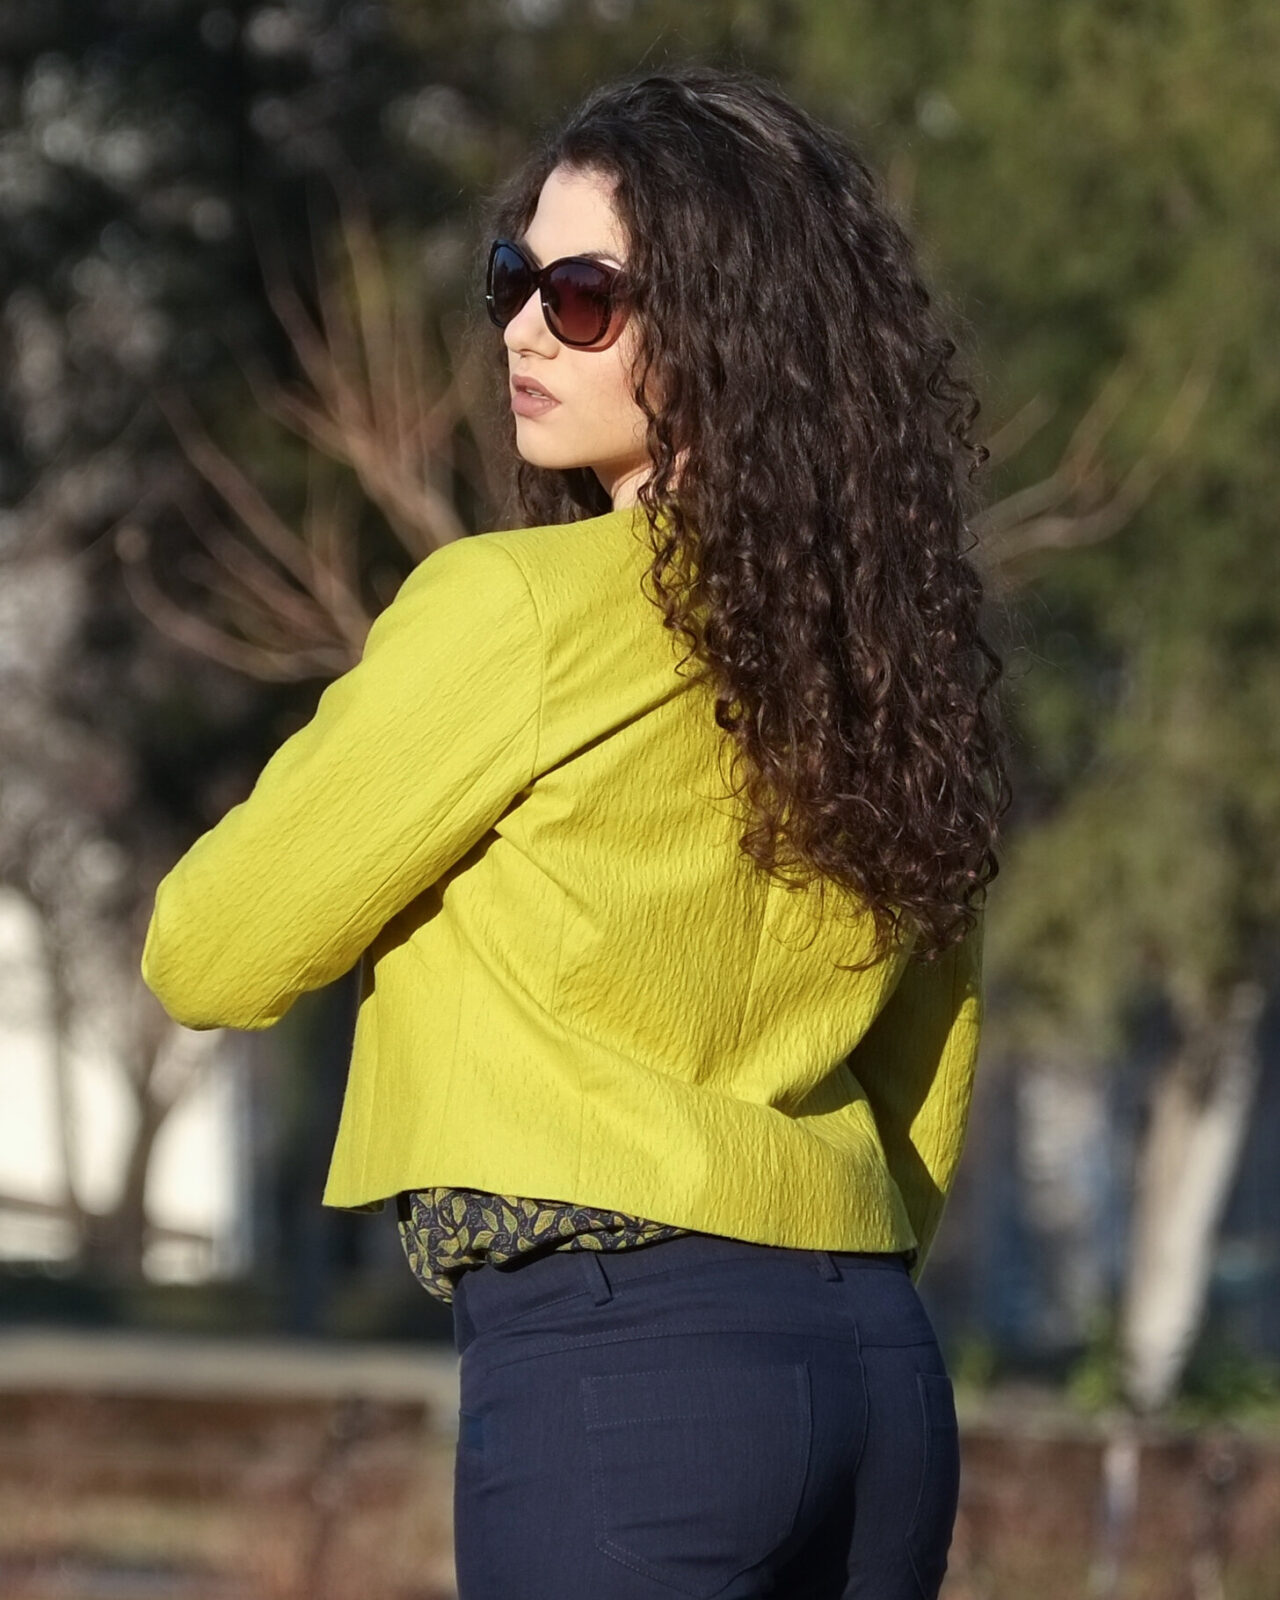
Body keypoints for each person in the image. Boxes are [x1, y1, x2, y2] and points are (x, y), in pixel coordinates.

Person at [141, 62, 1011, 1600]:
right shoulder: (885, 660)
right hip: (876, 1366)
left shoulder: (511, 612)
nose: (524, 330)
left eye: (585, 295)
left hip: (624, 1368)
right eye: (513, 278)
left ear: (730, 328)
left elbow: (209, 952)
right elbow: (927, 1068)